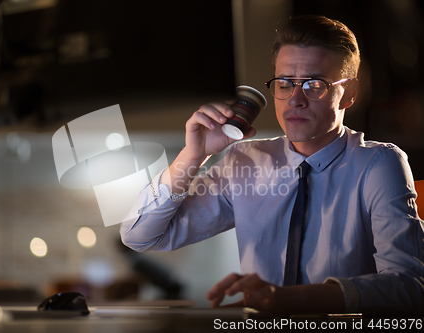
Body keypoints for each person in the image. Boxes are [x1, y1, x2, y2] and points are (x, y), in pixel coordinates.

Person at [120, 15, 424, 316]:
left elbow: (409, 285)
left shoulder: (379, 164)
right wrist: (193, 155)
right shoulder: (245, 161)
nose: (295, 99)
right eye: (284, 83)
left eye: (314, 84)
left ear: (349, 93)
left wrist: (290, 301)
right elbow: (141, 236)